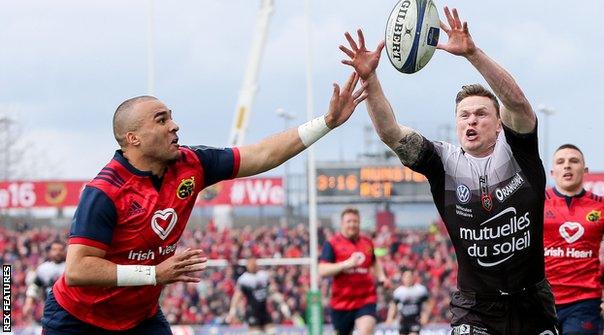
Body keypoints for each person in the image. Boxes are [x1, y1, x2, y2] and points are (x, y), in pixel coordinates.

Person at [40, 72, 367, 334]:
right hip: (76, 320)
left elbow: (261, 154)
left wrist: (326, 122)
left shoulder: (192, 163)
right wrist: (153, 274)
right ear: (133, 138)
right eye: (161, 119)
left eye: (171, 117)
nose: (174, 125)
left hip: (139, 320)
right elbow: (78, 269)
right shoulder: (105, 192)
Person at [339, 7, 558, 334]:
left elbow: (517, 102)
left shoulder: (518, 150)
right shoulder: (443, 161)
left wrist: (473, 54)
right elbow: (390, 133)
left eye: (481, 114)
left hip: (532, 302)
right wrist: (370, 79)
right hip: (476, 306)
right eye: (464, 115)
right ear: (456, 124)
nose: (471, 120)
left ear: (499, 124)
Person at [544, 144, 604, 335]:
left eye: (574, 161)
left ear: (585, 170)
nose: (567, 166)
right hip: (541, 302)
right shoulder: (537, 201)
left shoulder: (602, 206)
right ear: (552, 172)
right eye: (561, 162)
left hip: (584, 302)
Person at [319, 207, 390, 335]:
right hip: (341, 303)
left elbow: (374, 261)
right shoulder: (332, 244)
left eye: (355, 221)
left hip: (366, 298)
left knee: (366, 330)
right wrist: (346, 264)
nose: (352, 224)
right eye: (349, 221)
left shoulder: (367, 242)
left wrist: (382, 277)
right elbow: (322, 270)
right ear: (342, 224)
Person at [226, 257, 275, 334]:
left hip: (264, 310)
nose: (253, 265)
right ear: (247, 265)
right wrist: (232, 310)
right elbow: (237, 295)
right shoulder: (244, 279)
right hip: (252, 311)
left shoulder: (263, 275)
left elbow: (272, 289)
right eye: (251, 264)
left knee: (272, 332)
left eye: (254, 263)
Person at [22, 240, 66, 323]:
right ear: (50, 252)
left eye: (60, 250)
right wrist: (29, 303)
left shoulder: (69, 268)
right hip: (49, 309)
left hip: (67, 308)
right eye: (55, 249)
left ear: (65, 251)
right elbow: (35, 286)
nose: (58, 252)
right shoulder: (43, 268)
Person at [386, 270, 432, 335]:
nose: (408, 279)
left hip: (415, 319)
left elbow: (428, 303)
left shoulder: (420, 290)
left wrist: (425, 316)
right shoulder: (398, 292)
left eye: (409, 277)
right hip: (403, 320)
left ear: (413, 278)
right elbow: (393, 305)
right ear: (403, 279)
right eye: (406, 277)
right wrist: (390, 317)